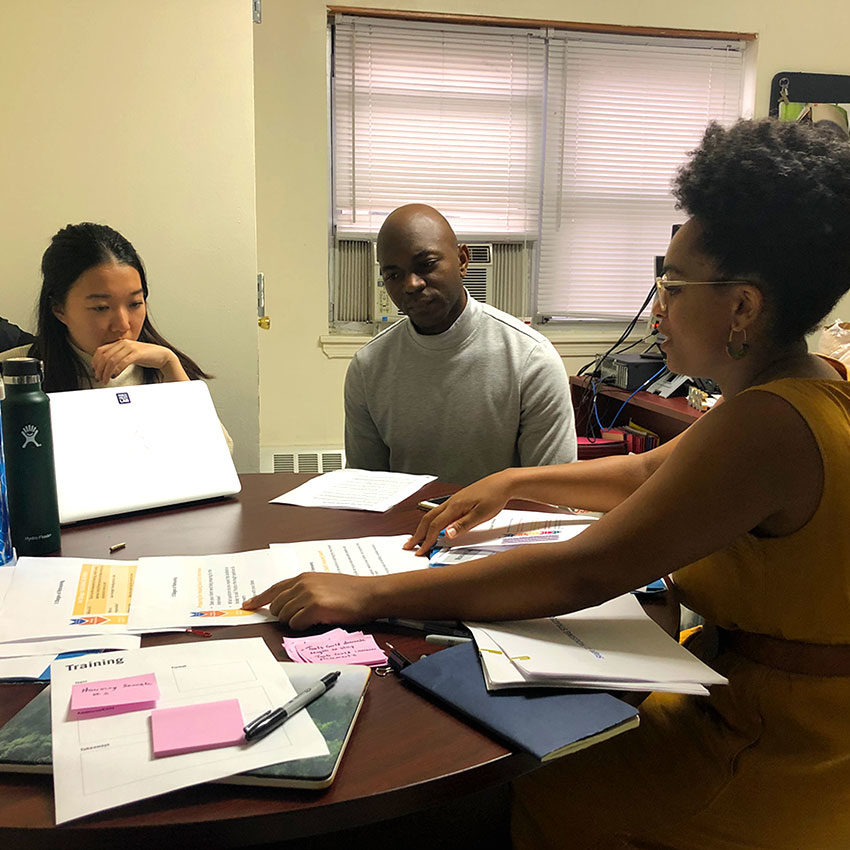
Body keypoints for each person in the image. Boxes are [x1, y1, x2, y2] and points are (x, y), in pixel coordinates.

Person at [245, 119, 850, 848]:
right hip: (764, 710)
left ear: (743, 307)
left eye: (674, 283)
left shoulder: (765, 427)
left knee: (500, 786)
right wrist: (511, 479)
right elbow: (650, 471)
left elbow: (584, 570)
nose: (657, 306)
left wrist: (365, 591)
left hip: (766, 754)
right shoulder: (806, 392)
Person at [343, 204, 577, 485]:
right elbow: (364, 490)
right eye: (393, 275)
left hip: (504, 527)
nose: (411, 284)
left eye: (426, 264)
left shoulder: (531, 359)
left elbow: (552, 495)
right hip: (405, 528)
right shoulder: (368, 368)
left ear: (463, 260)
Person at [0, 223, 232, 451]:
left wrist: (170, 365)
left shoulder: (159, 366)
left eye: (135, 303)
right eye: (101, 307)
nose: (123, 325)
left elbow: (220, 453)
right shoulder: (12, 375)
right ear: (59, 309)